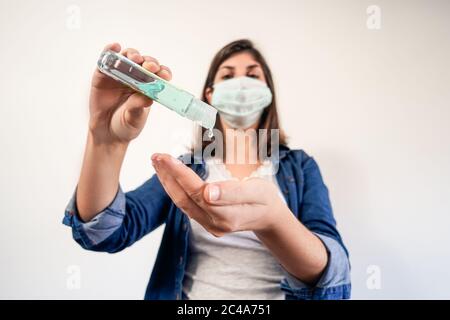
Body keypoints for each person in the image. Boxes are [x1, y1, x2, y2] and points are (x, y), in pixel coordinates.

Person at [63, 39, 351, 300]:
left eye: (252, 75)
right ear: (210, 95)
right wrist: (105, 141)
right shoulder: (189, 168)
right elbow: (104, 232)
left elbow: (332, 273)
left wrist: (274, 219)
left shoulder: (300, 167)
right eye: (227, 76)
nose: (240, 84)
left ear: (268, 93)